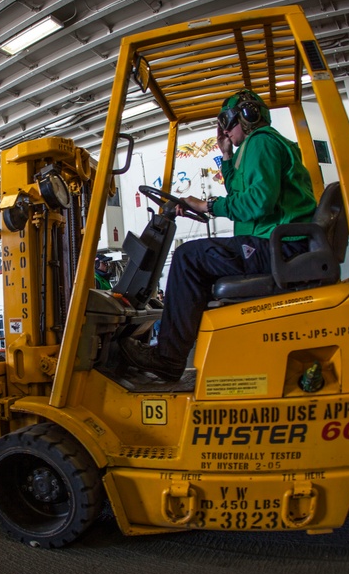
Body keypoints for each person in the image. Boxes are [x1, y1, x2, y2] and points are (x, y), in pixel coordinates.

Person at [119, 90, 317, 382]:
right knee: (199, 262)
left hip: (278, 246)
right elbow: (241, 194)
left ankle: (168, 358)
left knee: (188, 257)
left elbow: (258, 202)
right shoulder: (258, 145)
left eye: (227, 121)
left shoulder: (261, 142)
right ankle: (177, 351)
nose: (224, 129)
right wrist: (226, 155)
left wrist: (208, 205)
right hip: (278, 244)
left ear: (248, 116)